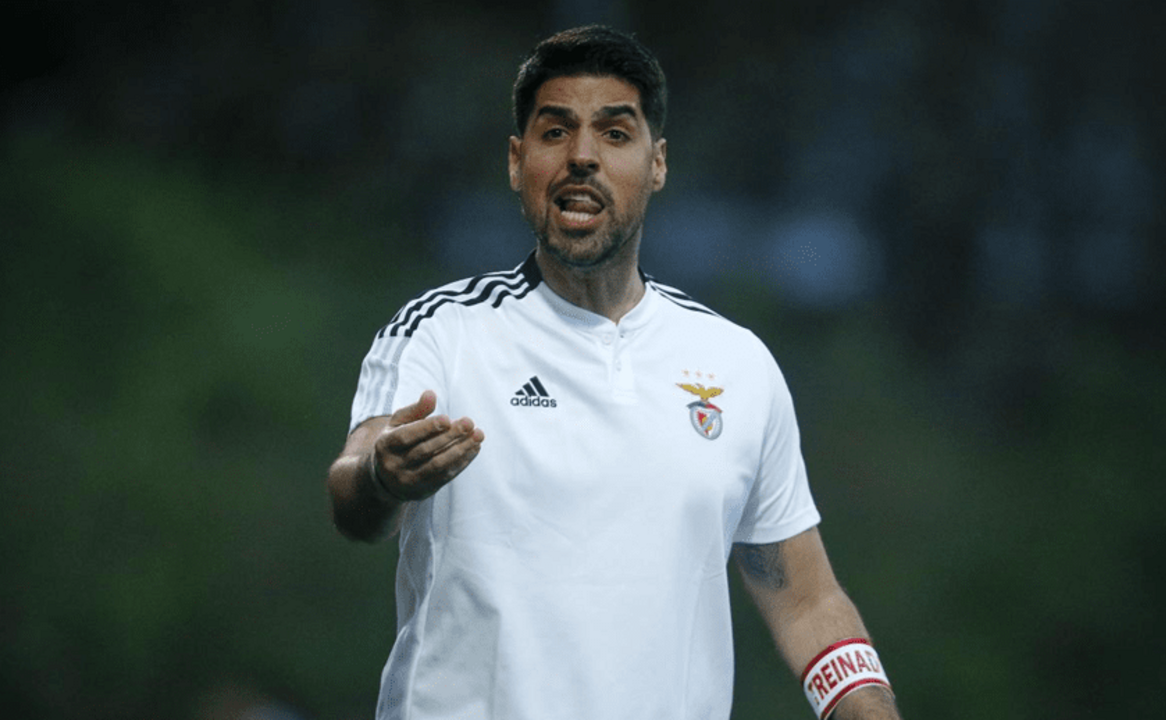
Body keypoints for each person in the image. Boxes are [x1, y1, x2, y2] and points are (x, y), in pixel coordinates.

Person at [326, 25, 902, 720]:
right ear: (517, 162)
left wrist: (869, 709)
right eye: (554, 132)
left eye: (615, 133)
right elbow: (353, 497)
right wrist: (382, 478)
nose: (581, 156)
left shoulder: (736, 363)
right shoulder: (444, 331)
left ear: (657, 164)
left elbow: (805, 599)